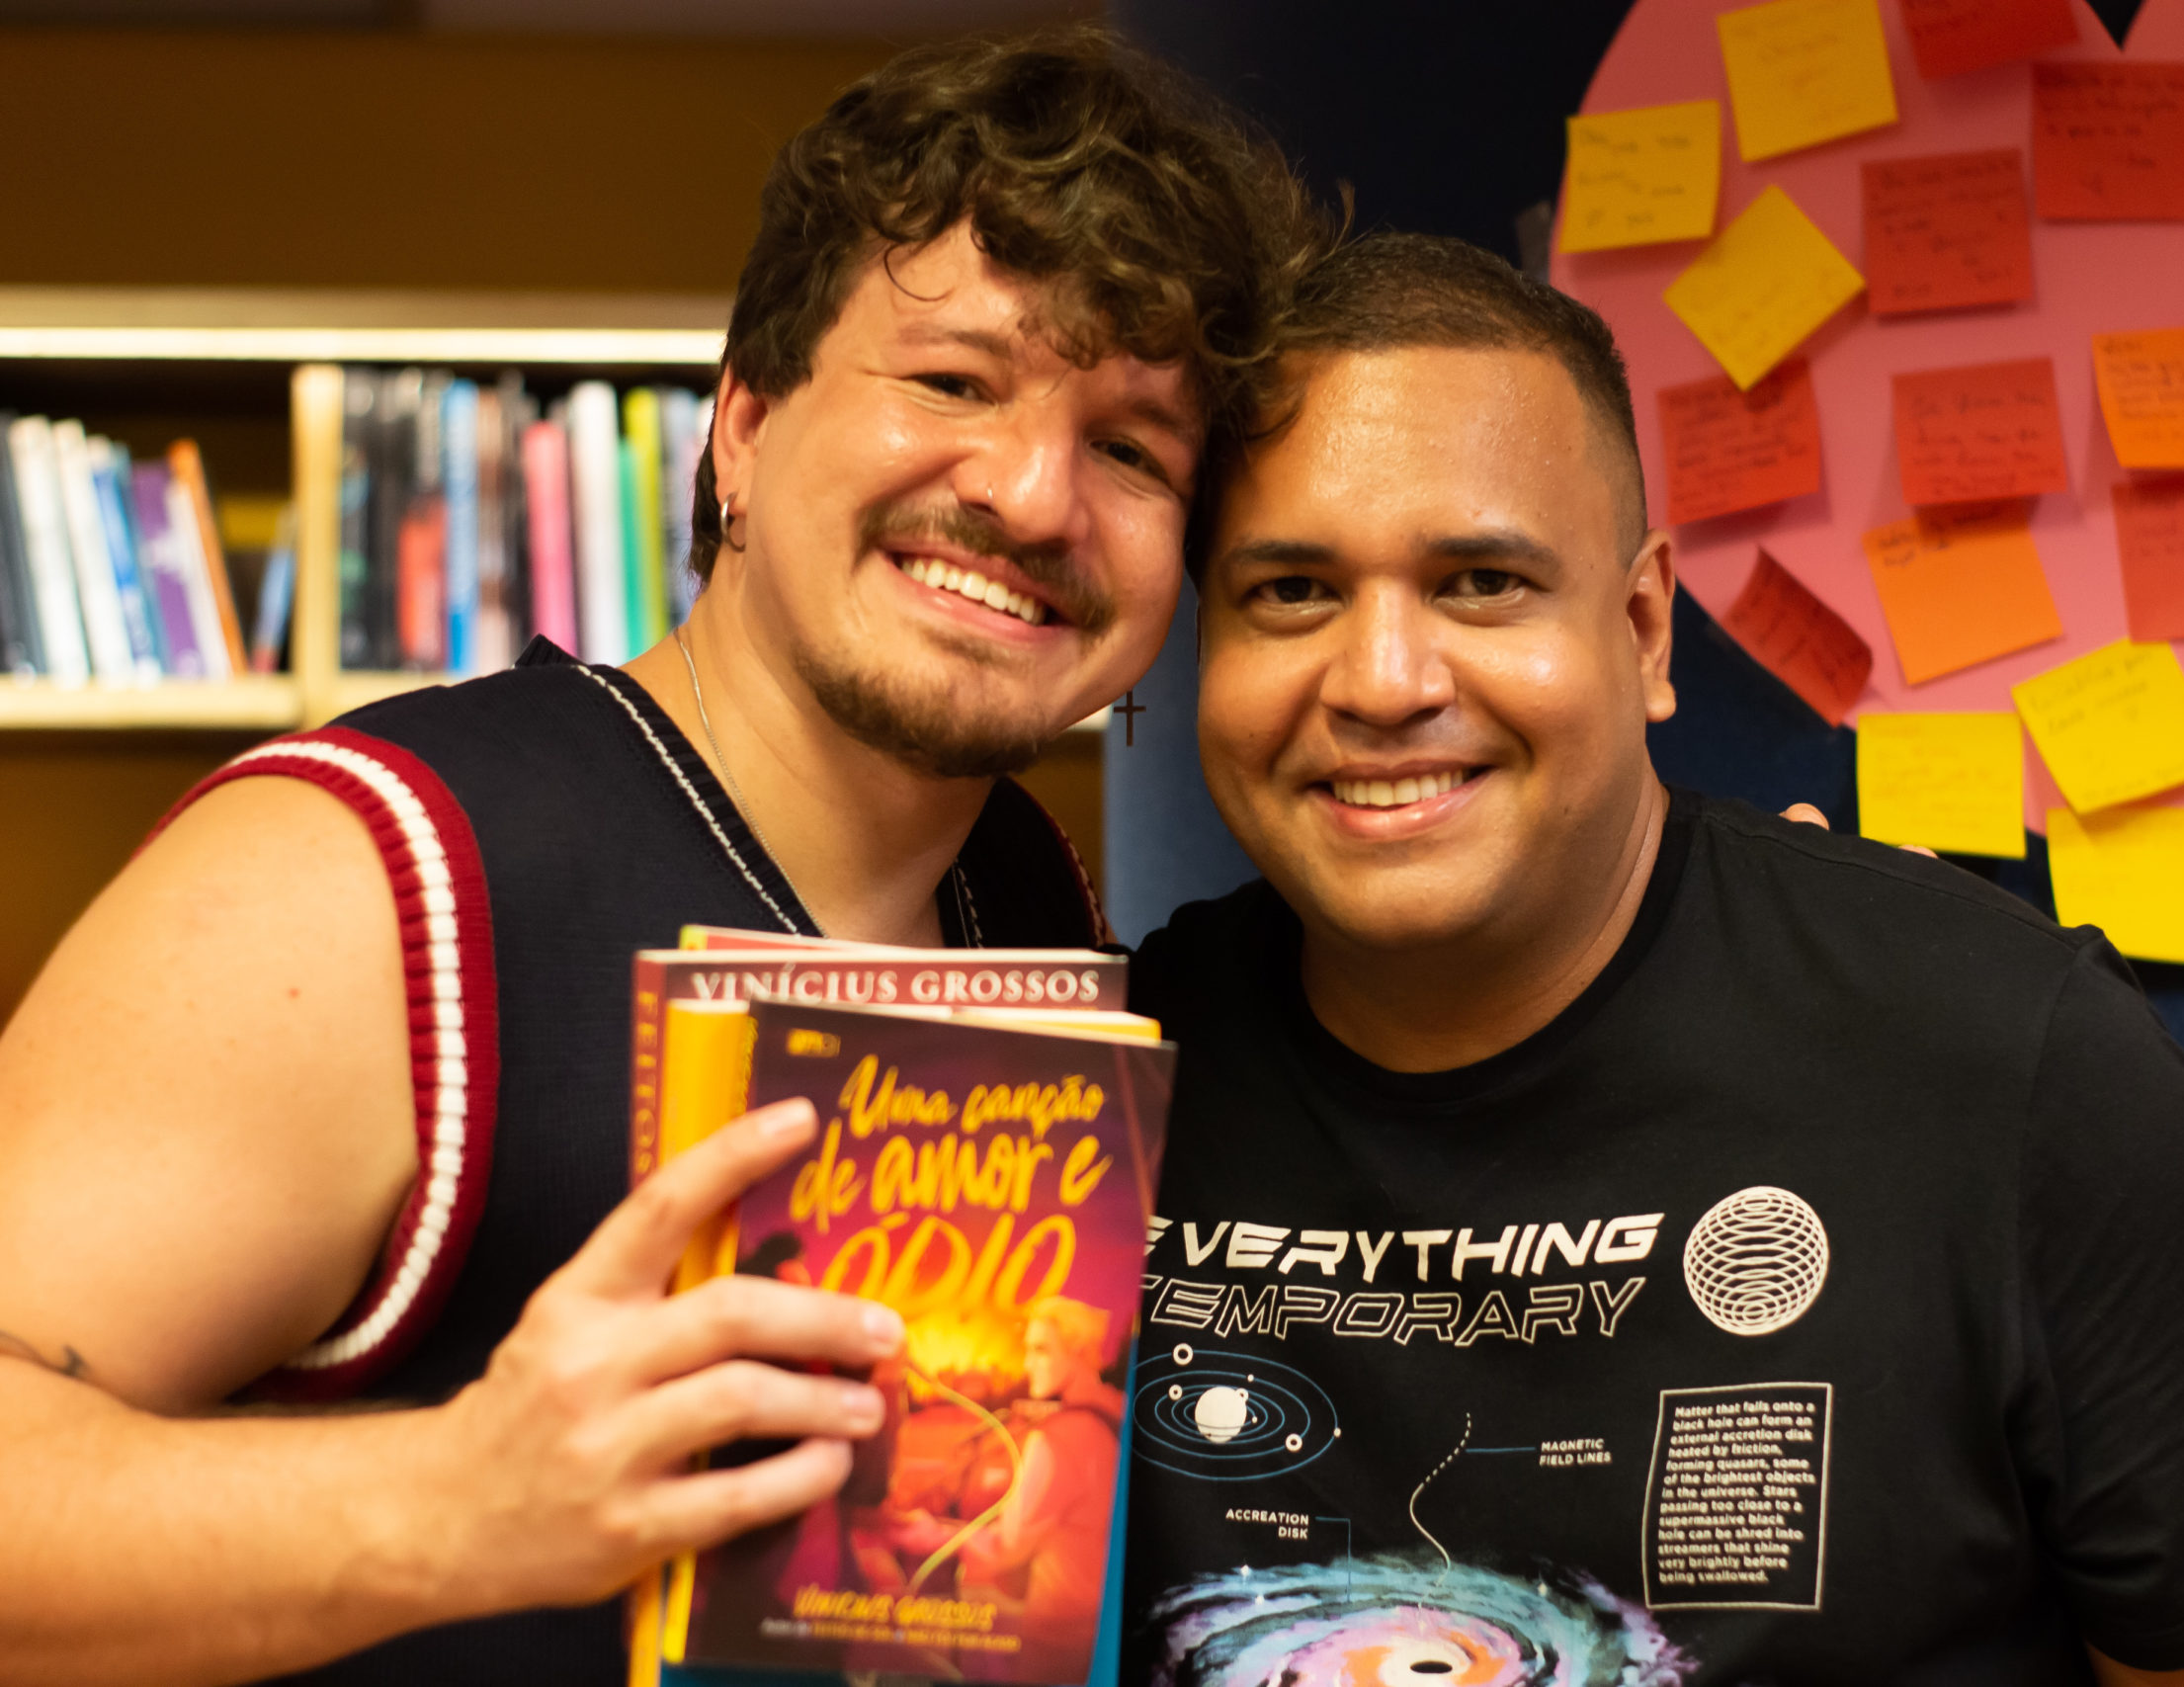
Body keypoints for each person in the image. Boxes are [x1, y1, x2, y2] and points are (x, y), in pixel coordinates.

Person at [0, 29, 1326, 1687]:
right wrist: (452, 1497)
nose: (1033, 493)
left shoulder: (1025, 890)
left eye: (1133, 447)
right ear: (745, 426)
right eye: (953, 381)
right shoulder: (365, 875)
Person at [1121, 233, 2184, 1685]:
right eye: (1290, 591)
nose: (1385, 681)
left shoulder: (2004, 1063)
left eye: (1482, 581)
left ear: (1644, 628)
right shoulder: (1100, 1081)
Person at [892, 1297, 1126, 1670]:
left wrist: (931, 1533)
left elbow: (1005, 1547)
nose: (1028, 1363)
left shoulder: (1058, 1439)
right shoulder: (1120, 1414)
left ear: (1081, 1353)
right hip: (1109, 1627)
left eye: (1041, 1350)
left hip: (1057, 1639)